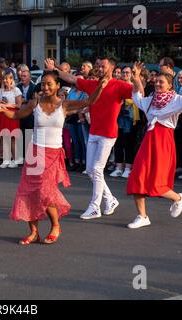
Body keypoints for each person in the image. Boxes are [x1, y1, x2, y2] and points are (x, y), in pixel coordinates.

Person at [0, 71, 108, 244]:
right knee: (28, 192)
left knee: (45, 192)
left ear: (57, 86)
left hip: (53, 154)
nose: (46, 87)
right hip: (34, 152)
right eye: (43, 84)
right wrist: (2, 109)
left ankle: (55, 226)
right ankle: (33, 232)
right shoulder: (35, 102)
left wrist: (100, 86)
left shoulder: (64, 105)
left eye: (49, 84)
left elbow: (90, 101)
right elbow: (16, 115)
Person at [46, 56, 133, 220]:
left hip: (108, 134)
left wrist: (136, 78)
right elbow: (70, 77)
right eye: (98, 66)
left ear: (112, 68)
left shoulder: (120, 86)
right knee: (92, 172)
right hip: (93, 132)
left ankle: (95, 207)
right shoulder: (92, 84)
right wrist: (54, 69)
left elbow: (138, 93)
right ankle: (110, 200)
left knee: (97, 170)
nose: (99, 68)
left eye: (103, 66)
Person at [126, 62, 182, 229]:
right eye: (157, 81)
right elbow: (137, 96)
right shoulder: (149, 101)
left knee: (157, 184)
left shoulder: (178, 100)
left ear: (170, 85)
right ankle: (142, 216)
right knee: (136, 178)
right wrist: (135, 78)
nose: (158, 84)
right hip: (148, 141)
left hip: (164, 143)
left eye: (162, 82)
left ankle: (178, 198)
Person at [0, 71, 22, 168]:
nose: (5, 80)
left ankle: (15, 159)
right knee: (4, 137)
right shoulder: (0, 91)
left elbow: (19, 105)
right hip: (3, 115)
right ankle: (6, 159)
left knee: (12, 138)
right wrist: (1, 104)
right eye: (4, 78)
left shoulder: (16, 90)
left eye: (7, 78)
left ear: (12, 79)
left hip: (12, 115)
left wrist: (7, 105)